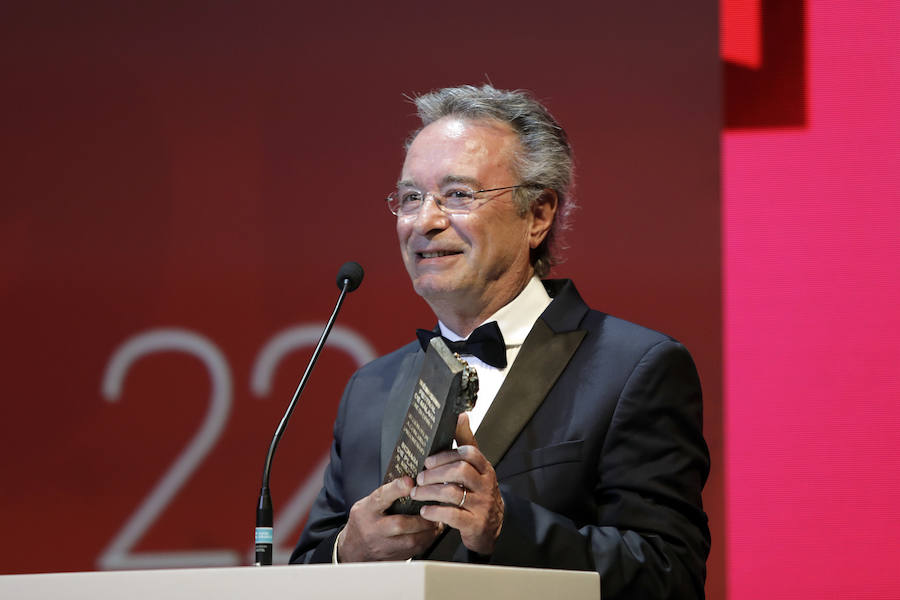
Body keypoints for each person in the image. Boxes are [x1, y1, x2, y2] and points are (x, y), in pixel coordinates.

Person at [290, 84, 710, 599]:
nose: (425, 221)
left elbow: (670, 575)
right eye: (411, 198)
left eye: (459, 194)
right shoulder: (370, 388)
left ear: (538, 215)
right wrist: (347, 552)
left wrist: (506, 529)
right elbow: (305, 570)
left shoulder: (634, 368)